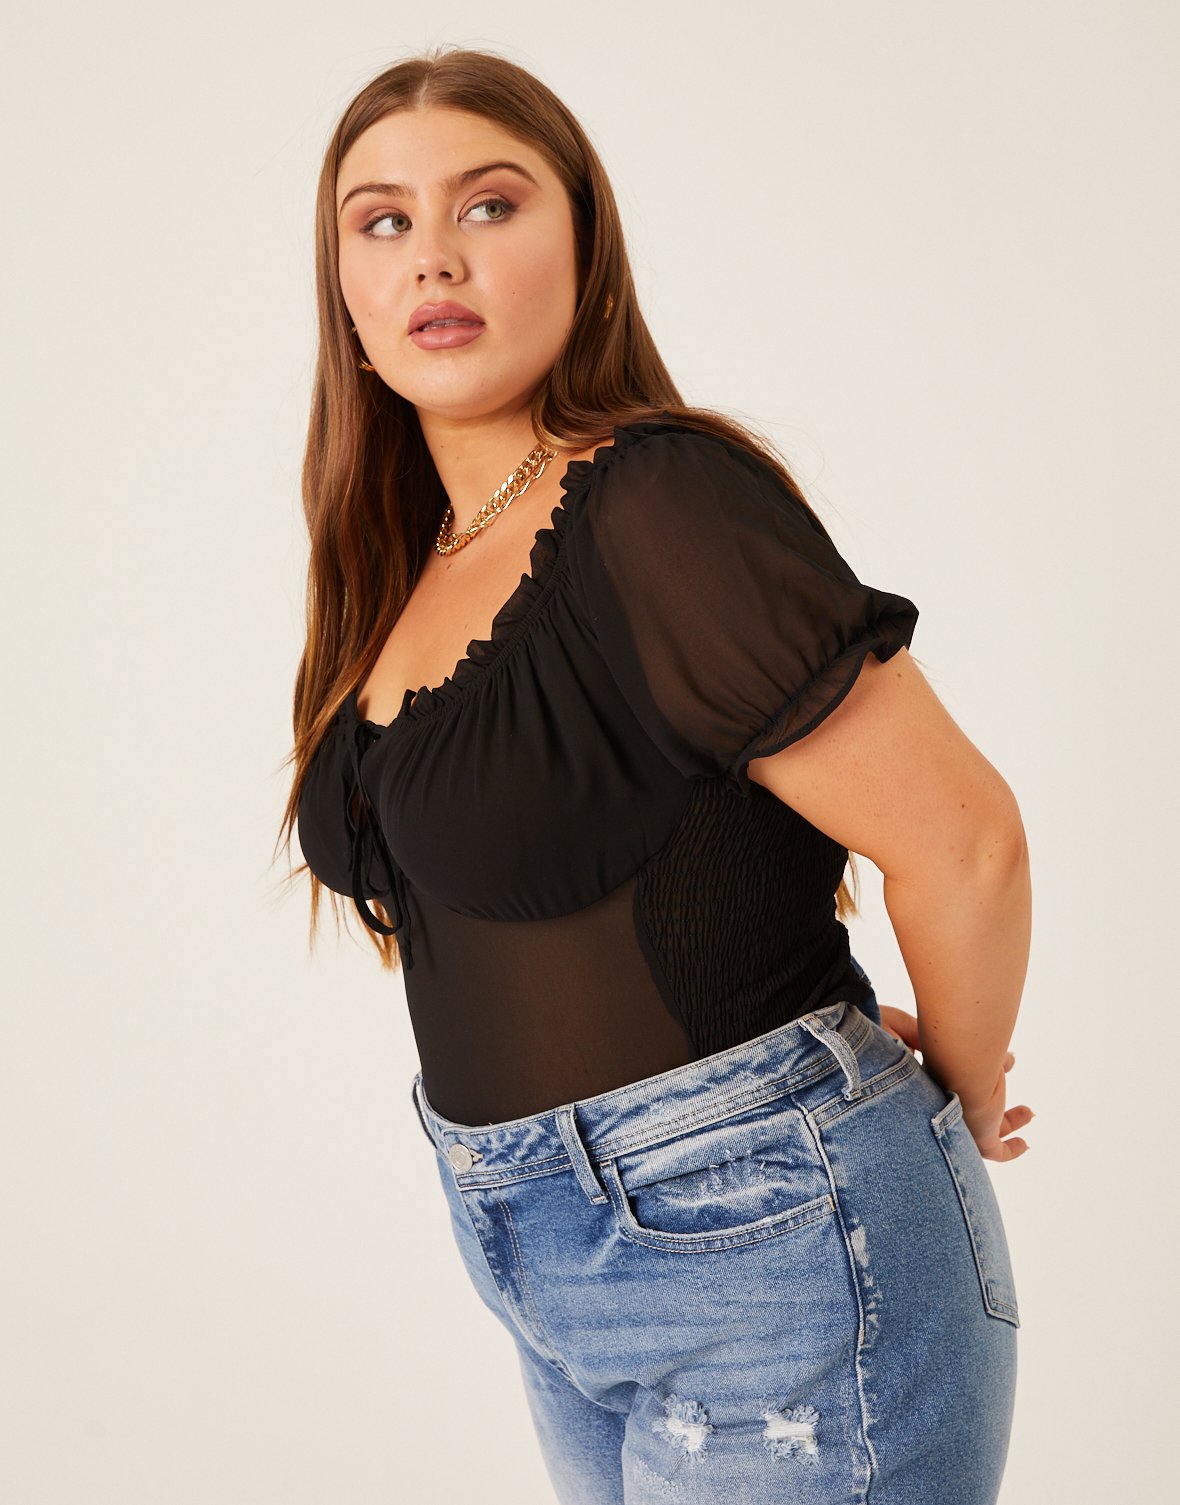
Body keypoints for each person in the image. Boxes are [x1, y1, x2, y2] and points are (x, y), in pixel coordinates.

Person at [277, 45, 1033, 1505]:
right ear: (345, 291)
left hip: (775, 1240)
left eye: (489, 204)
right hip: (541, 1256)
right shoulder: (396, 575)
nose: (432, 255)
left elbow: (968, 841)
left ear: (585, 244)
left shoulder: (657, 498)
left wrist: (956, 1087)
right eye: (382, 222)